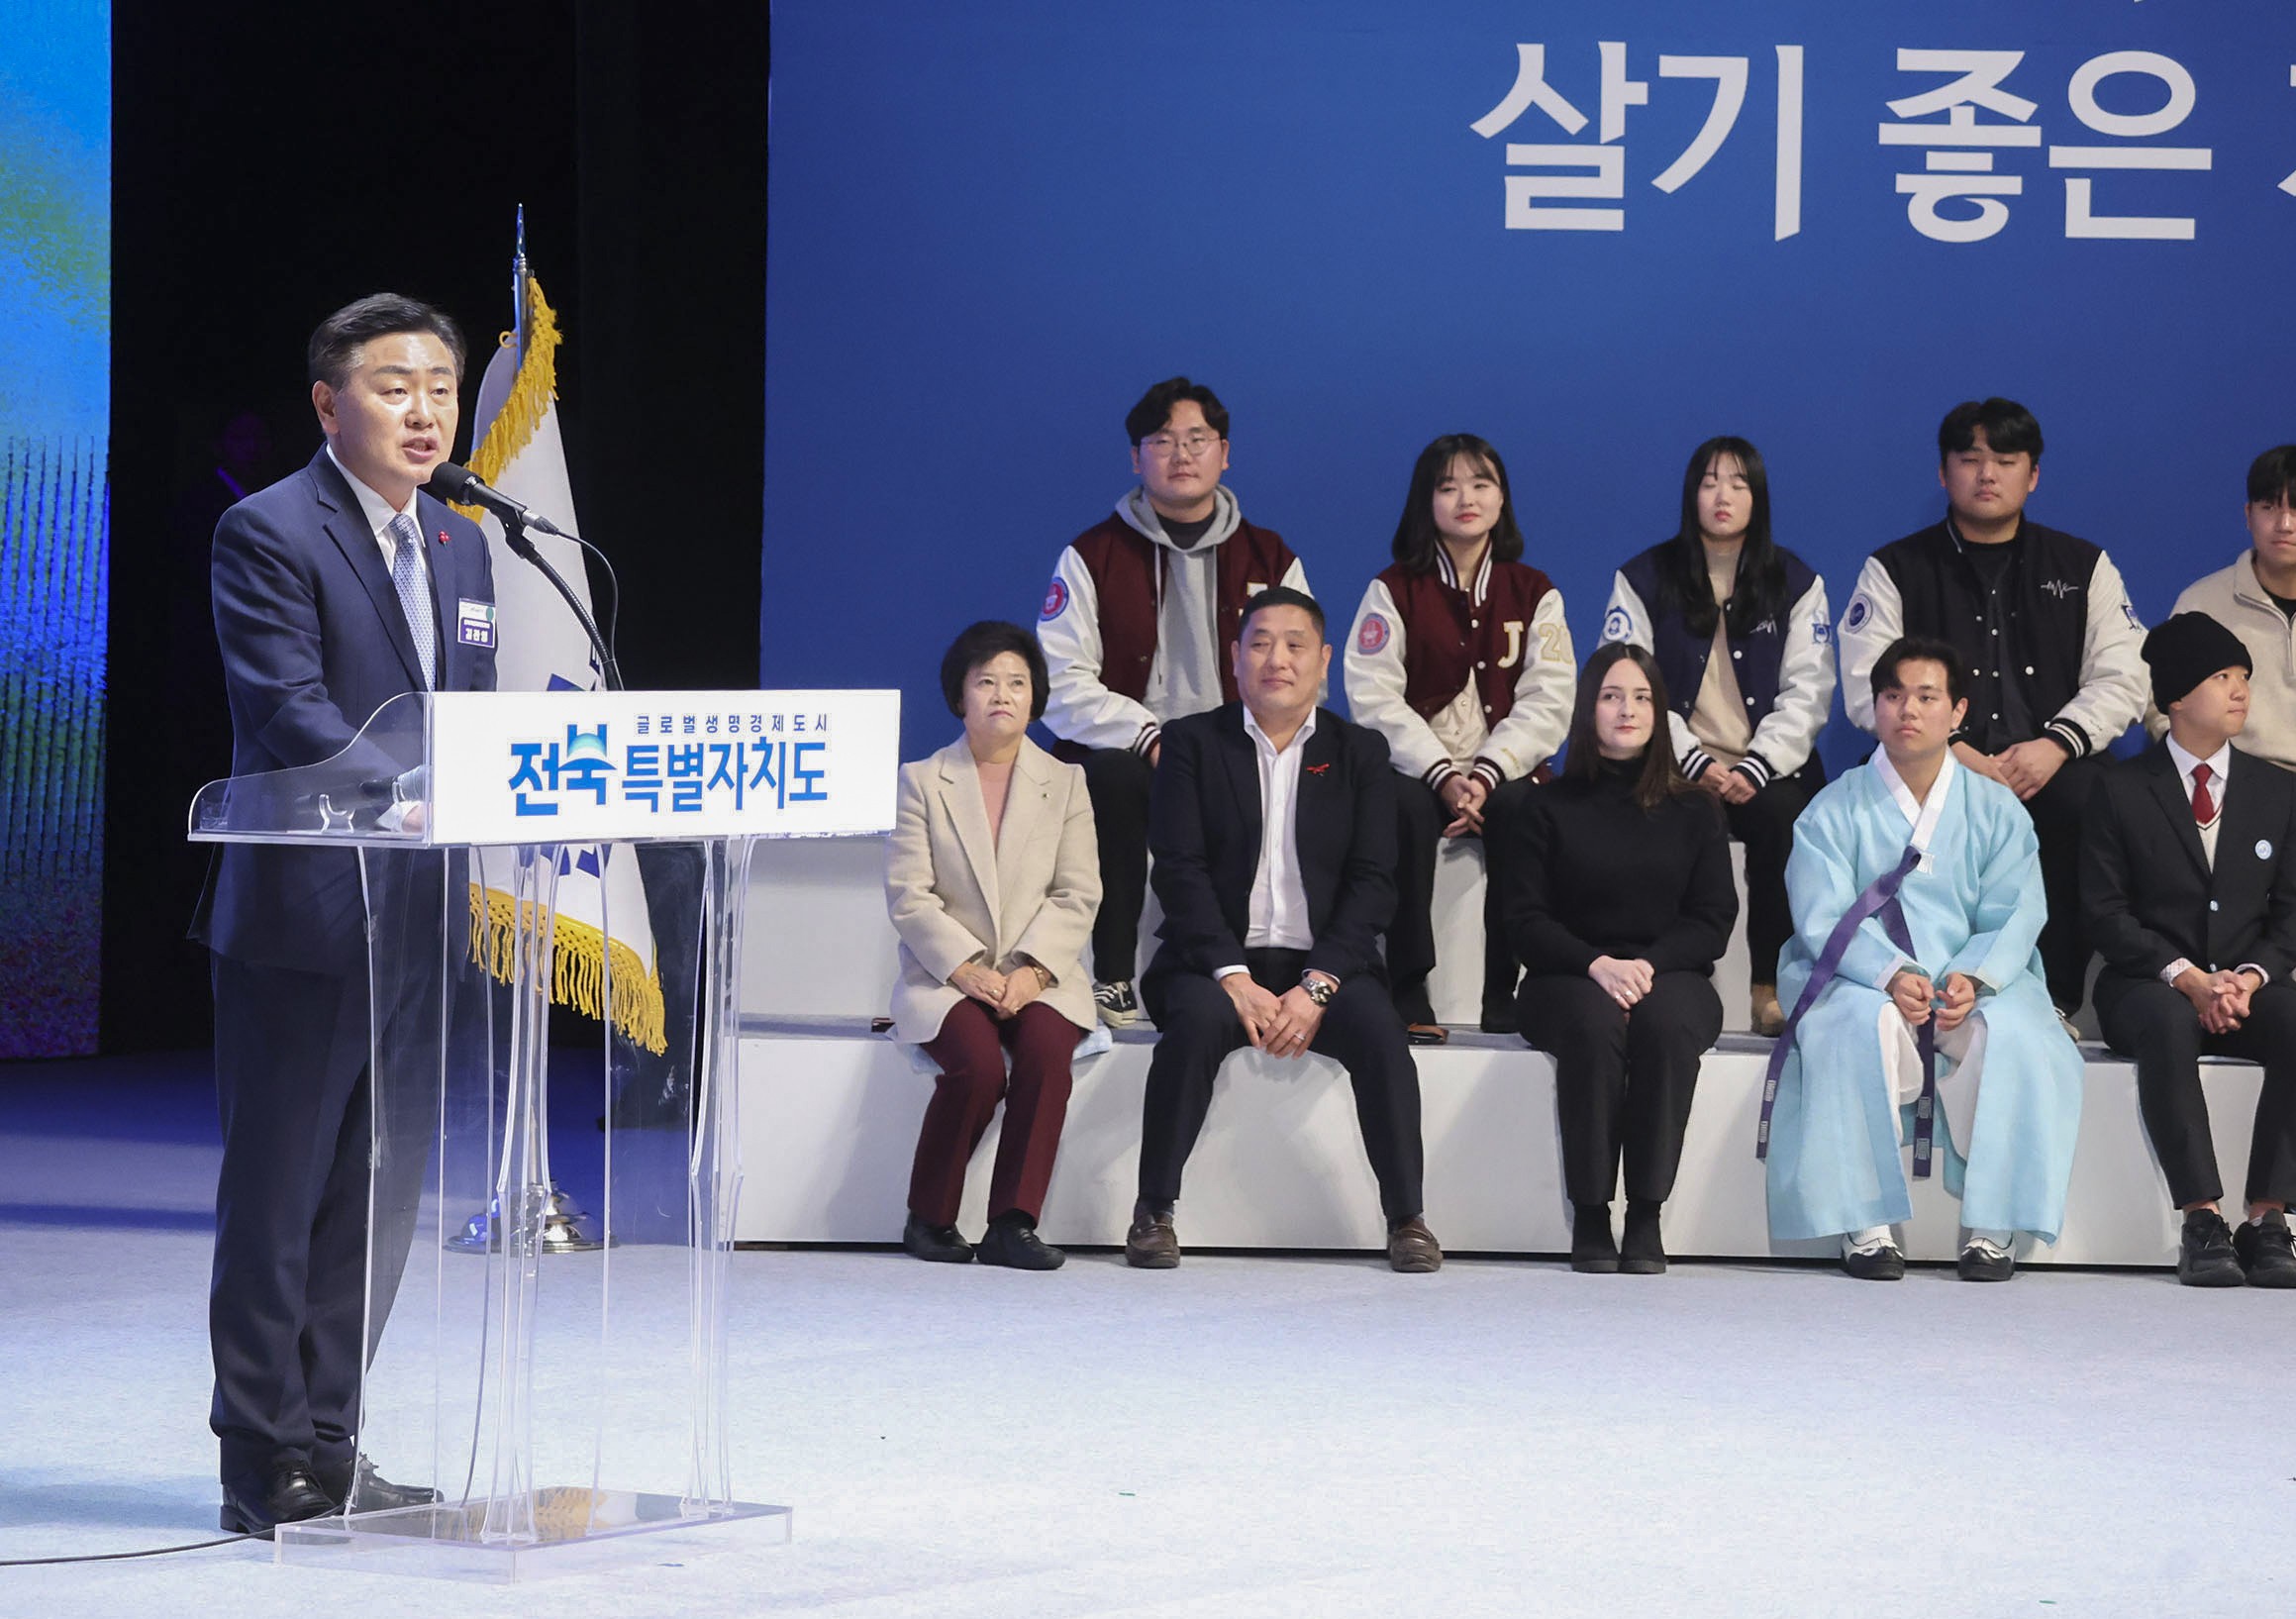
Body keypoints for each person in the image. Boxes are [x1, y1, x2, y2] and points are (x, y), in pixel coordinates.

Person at [189, 295, 495, 1532]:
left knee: (376, 1198)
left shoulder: (464, 542)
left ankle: (333, 1440)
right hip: (306, 915)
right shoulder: (268, 530)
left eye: (441, 388)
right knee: (281, 1196)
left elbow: (468, 714)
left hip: (422, 910)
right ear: (329, 404)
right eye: (394, 386)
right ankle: (262, 1458)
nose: (425, 411)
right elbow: (288, 708)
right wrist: (413, 792)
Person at [1125, 586, 1441, 1272]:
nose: (1277, 659)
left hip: (1322, 963)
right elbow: (1179, 870)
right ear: (1235, 656)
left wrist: (1318, 985)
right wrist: (1233, 977)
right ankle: (1153, 1211)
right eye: (1261, 643)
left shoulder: (1359, 751)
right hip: (1211, 962)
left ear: (1323, 660)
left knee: (1382, 1035)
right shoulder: (1191, 743)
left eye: (1295, 645)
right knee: (1195, 1025)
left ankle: (1408, 1219)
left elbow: (1373, 882)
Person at [1761, 636, 2083, 1282]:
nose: (1907, 709)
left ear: (1957, 710)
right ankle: (1865, 1224)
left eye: (1926, 696)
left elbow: (2016, 912)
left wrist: (1971, 976)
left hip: (1972, 976)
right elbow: (1820, 914)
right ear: (1875, 707)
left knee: (2019, 1035)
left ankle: (1993, 1226)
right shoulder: (1832, 808)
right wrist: (1889, 974)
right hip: (1861, 975)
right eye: (1892, 695)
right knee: (1853, 1024)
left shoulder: (1996, 809)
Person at [1836, 399, 2147, 1024]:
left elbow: (2125, 674)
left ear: (2033, 475)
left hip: (2052, 760)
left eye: (2005, 460)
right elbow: (1866, 684)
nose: (1987, 474)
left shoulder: (2083, 566)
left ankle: (2056, 999)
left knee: (2091, 801)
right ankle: (1921, 988)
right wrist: (1952, 750)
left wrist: (2056, 744)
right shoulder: (1895, 568)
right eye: (1970, 459)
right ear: (1942, 472)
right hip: (1935, 758)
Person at [1037, 377, 1311, 1029]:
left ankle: (1265, 972)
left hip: (1234, 744)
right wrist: (1148, 735)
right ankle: (1111, 973)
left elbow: (1299, 671)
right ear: (1136, 458)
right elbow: (1059, 680)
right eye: (1161, 442)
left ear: (1225, 453)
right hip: (1133, 751)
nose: (1181, 455)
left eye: (1196, 440)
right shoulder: (1092, 555)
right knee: (1112, 777)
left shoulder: (1270, 555)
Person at [1503, 644, 1737, 1274]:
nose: (1627, 710)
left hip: (1671, 973)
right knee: (1593, 1022)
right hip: (1566, 976)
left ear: (1660, 712)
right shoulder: (1545, 806)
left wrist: (1647, 966)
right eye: (1611, 696)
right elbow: (1525, 921)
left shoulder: (1695, 809)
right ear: (1588, 709)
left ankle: (1646, 1214)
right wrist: (1596, 965)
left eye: (1641, 697)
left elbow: (1712, 919)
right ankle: (1590, 1213)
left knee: (1667, 1024)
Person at [2082, 613, 2296, 1286]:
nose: (2240, 690)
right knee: (2169, 1022)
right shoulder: (2118, 788)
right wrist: (2186, 977)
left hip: (2244, 985)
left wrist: (2249, 978)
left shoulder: (2278, 789)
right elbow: (2104, 913)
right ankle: (2201, 1218)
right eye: (2221, 676)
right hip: (2145, 983)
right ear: (2176, 696)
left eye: (2243, 676)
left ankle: (2268, 1216)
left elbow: (2291, 912)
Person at [884, 621, 1102, 1271]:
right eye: (986, 682)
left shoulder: (1066, 782)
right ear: (960, 696)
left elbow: (1077, 892)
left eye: (1016, 682)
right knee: (978, 1067)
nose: (1002, 695)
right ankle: (929, 1217)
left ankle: (1013, 1223)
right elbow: (909, 895)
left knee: (1045, 1055)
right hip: (946, 975)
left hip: (1041, 974)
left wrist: (1033, 972)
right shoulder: (922, 779)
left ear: (1035, 698)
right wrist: (964, 969)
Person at [1602, 436, 1836, 1036]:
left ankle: (1768, 988)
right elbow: (1626, 682)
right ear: (1691, 495)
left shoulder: (1796, 581)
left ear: (1759, 496)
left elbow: (1808, 692)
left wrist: (1757, 766)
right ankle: (1660, 980)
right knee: (1656, 814)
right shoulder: (1643, 577)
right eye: (1709, 483)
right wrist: (1691, 762)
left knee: (1783, 818)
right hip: (1672, 763)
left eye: (1737, 483)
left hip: (1768, 768)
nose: (1722, 496)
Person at [1344, 434, 1571, 1037]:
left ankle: (1505, 988)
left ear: (1502, 498)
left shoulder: (1535, 590)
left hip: (1506, 771)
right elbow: (1373, 697)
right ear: (1426, 502)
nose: (1466, 499)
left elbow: (1550, 697)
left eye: (1481, 484)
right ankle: (1407, 983)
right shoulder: (1392, 590)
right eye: (1447, 487)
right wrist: (1443, 773)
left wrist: (1489, 773)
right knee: (1402, 807)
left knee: (1524, 808)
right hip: (1419, 769)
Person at [2158, 446, 2296, 770]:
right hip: (2236, 783)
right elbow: (2164, 708)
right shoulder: (2202, 604)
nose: (2285, 524)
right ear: (2248, 515)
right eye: (2269, 507)